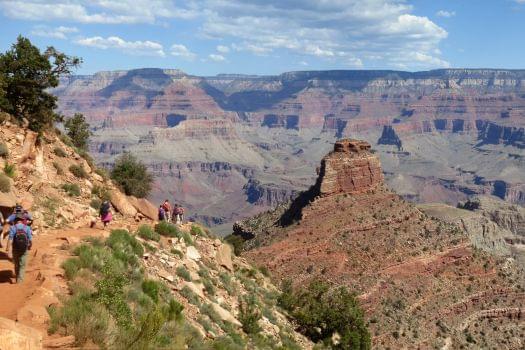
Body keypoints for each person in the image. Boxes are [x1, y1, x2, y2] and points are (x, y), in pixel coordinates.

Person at [6, 214, 33, 283]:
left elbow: (10, 239)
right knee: (22, 265)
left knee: (16, 264)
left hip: (15, 249)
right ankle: (20, 281)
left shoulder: (13, 227)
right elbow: (30, 239)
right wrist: (30, 246)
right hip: (24, 249)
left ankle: (17, 277)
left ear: (15, 220)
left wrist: (7, 249)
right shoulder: (27, 227)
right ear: (22, 220)